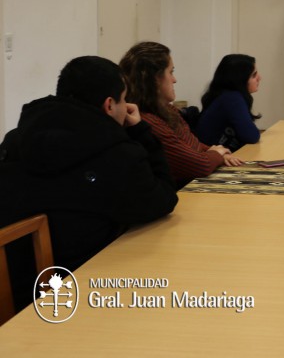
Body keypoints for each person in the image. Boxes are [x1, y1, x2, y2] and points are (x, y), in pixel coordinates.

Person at [0, 56, 178, 312]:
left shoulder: (14, 140)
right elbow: (163, 199)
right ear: (109, 105)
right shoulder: (116, 153)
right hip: (85, 290)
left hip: (18, 294)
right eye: (123, 99)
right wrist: (140, 131)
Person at [119, 42, 242, 189]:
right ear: (154, 79)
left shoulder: (167, 109)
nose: (174, 79)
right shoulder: (146, 121)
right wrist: (216, 154)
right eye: (170, 72)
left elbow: (190, 145)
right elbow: (199, 165)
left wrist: (215, 152)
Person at [196, 54, 262, 150]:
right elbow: (252, 136)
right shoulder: (232, 98)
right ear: (240, 79)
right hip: (213, 160)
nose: (259, 78)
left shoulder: (225, 95)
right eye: (253, 75)